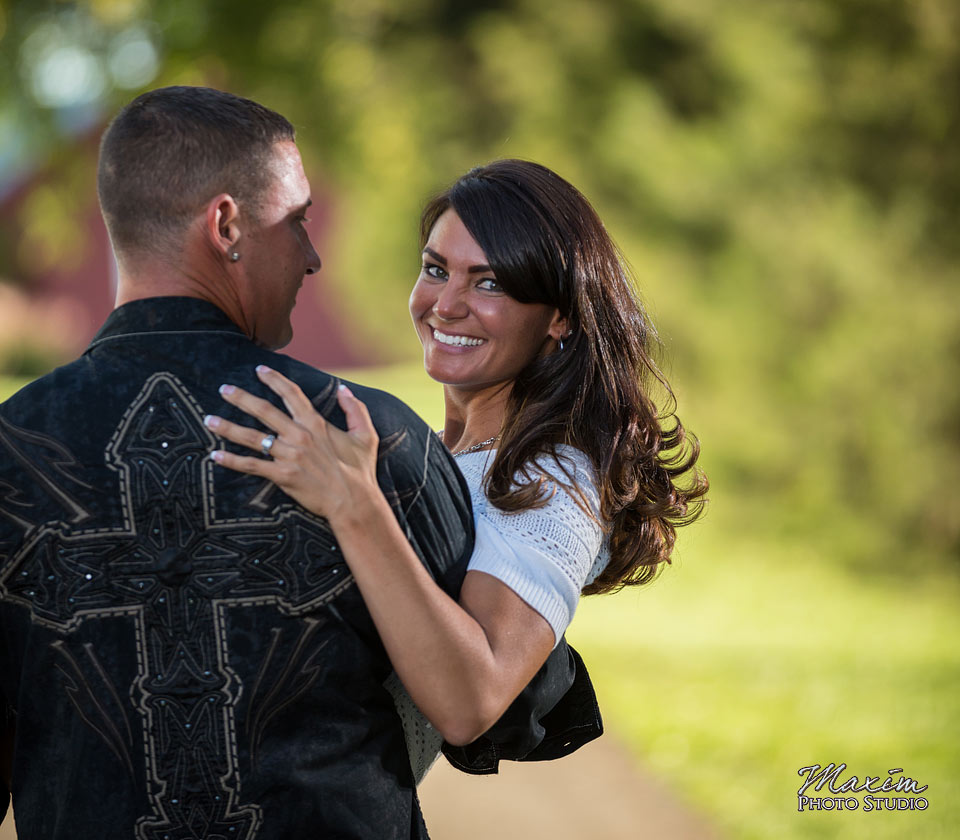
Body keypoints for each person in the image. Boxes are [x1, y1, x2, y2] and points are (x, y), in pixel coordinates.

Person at [0, 86, 476, 839]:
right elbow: (500, 715)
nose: (314, 257)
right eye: (298, 222)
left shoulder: (10, 455)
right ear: (226, 226)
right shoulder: (368, 437)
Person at [206, 159, 709, 781]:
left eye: (489, 283)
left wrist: (354, 505)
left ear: (560, 316)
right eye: (436, 269)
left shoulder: (555, 481)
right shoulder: (451, 451)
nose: (445, 305)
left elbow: (471, 702)